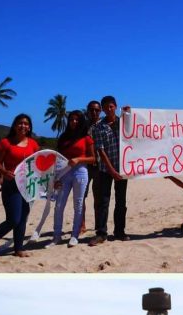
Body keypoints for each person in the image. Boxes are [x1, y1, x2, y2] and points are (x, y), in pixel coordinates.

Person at [0, 113, 40, 262]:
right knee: (13, 219)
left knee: (23, 218)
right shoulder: (6, 143)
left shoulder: (33, 144)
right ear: (14, 125)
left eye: (26, 123)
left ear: (29, 127)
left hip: (28, 186)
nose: (23, 126)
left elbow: (38, 164)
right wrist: (4, 172)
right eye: (20, 123)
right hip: (11, 185)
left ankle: (18, 248)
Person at [51, 110, 95, 247]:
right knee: (59, 205)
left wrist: (79, 159)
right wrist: (55, 177)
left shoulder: (86, 138)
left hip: (80, 172)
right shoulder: (63, 137)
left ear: (81, 121)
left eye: (77, 120)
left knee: (78, 204)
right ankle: (56, 236)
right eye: (71, 119)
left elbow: (93, 159)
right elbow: (57, 158)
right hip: (63, 173)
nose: (74, 122)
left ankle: (74, 235)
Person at [89, 95, 129, 244]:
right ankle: (101, 233)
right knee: (103, 201)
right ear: (103, 109)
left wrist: (131, 112)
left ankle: (119, 232)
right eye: (105, 107)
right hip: (105, 170)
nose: (108, 109)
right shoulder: (98, 127)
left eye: (111, 106)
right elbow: (100, 150)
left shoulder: (124, 122)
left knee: (121, 202)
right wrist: (112, 170)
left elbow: (138, 132)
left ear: (115, 106)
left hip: (124, 169)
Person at [85, 100, 103, 234]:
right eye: (91, 110)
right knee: (81, 197)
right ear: (87, 111)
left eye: (97, 110)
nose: (94, 112)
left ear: (100, 110)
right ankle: (82, 224)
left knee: (98, 198)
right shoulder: (82, 126)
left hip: (99, 166)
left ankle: (98, 225)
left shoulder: (104, 125)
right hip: (84, 166)